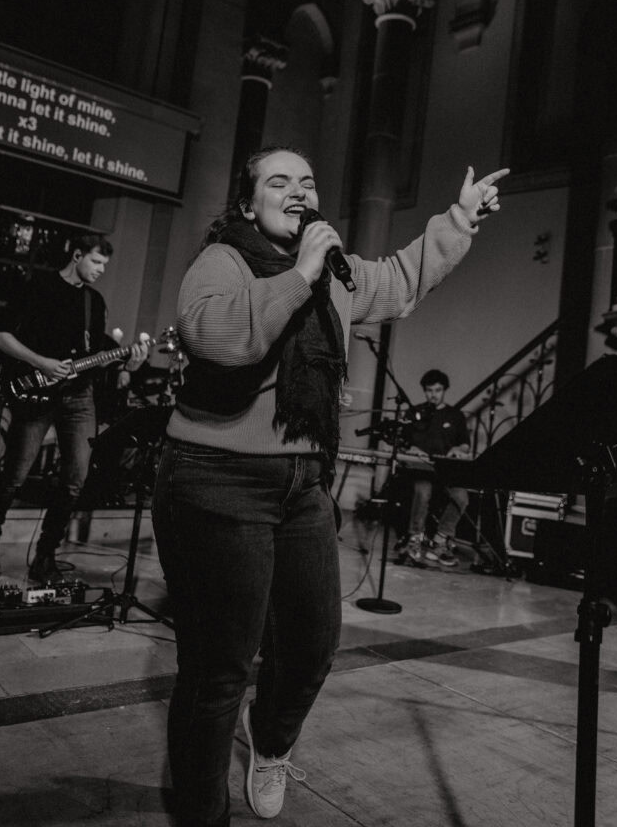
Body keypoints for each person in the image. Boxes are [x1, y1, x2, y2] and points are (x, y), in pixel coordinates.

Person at [151, 145, 508, 827]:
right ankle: (200, 813)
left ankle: (270, 741)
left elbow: (400, 279)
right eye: (278, 181)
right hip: (217, 478)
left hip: (303, 482)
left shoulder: (335, 273)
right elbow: (220, 338)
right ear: (247, 202)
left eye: (308, 182)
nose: (297, 191)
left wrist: (459, 219)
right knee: (220, 668)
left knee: (313, 643)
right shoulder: (222, 261)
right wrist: (300, 273)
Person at [0, 234, 149, 582]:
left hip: (79, 397)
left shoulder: (94, 302)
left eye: (105, 265)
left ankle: (45, 556)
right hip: (35, 392)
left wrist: (128, 362)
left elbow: (95, 356)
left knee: (75, 480)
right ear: (77, 255)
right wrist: (42, 362)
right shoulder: (38, 287)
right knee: (14, 476)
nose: (101, 270)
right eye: (96, 262)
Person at [394, 368, 471, 568]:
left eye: (437, 390)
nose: (433, 395)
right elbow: (402, 442)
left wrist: (458, 449)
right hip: (421, 468)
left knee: (461, 497)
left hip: (446, 469)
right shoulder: (415, 413)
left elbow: (465, 444)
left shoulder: (455, 415)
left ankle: (440, 540)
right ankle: (414, 539)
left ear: (444, 390)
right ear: (424, 391)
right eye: (429, 390)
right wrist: (411, 449)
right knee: (422, 491)